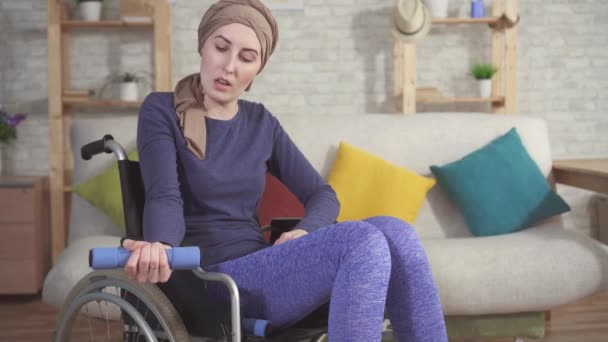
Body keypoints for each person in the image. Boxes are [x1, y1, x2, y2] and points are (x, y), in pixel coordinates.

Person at [122, 0, 448, 340]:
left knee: (397, 232)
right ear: (203, 44)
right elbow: (163, 194)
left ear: (257, 69)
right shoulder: (160, 110)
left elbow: (322, 195)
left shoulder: (261, 122)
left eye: (246, 57)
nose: (229, 66)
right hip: (211, 280)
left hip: (265, 268)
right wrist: (158, 243)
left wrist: (304, 232)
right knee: (361, 241)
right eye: (221, 48)